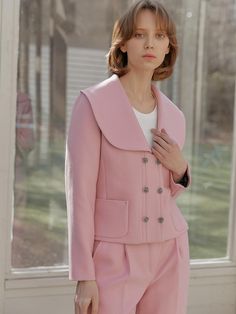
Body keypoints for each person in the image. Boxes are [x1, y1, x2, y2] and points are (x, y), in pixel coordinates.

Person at [65, 1, 191, 313]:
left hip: (169, 251)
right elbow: (79, 195)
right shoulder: (92, 105)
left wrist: (181, 169)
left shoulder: (174, 115)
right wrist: (84, 274)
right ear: (123, 42)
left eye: (160, 36)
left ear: (167, 47)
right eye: (139, 34)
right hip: (114, 255)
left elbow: (167, 188)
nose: (150, 43)